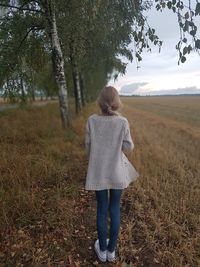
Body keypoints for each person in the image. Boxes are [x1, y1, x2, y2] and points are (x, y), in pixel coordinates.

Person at [85, 86, 139, 263]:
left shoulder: (92, 121)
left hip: (98, 171)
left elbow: (88, 147)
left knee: (101, 209)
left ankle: (101, 250)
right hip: (117, 172)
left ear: (100, 102)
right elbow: (129, 147)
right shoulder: (122, 122)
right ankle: (111, 251)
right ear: (116, 103)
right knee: (115, 209)